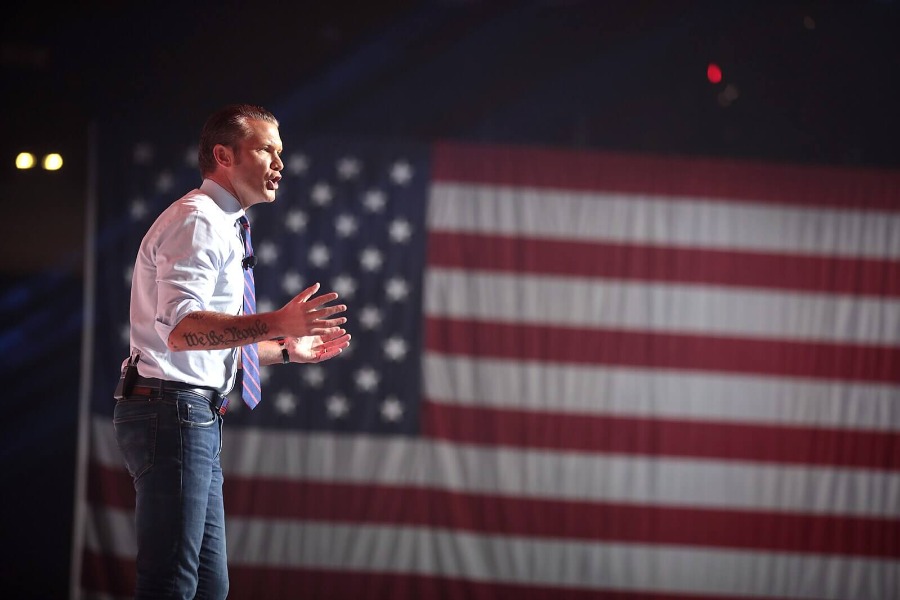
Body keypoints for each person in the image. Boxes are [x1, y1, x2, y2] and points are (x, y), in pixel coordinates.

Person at [113, 103, 351, 599]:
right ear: (223, 154)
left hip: (189, 411)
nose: (280, 164)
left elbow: (198, 346)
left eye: (280, 152)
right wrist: (276, 320)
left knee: (207, 587)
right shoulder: (198, 221)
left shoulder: (227, 223)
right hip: (170, 410)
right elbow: (180, 331)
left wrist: (283, 349)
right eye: (267, 149)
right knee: (173, 583)